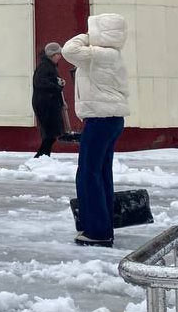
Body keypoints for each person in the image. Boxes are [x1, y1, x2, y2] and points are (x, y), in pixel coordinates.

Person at [62, 13, 129, 247]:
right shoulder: (114, 55)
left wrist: (87, 36)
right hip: (112, 120)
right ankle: (103, 225)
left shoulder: (97, 55)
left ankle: (97, 232)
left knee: (88, 174)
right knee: (101, 173)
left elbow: (68, 50)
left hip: (99, 121)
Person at [31, 42, 66, 158]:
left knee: (51, 134)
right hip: (45, 105)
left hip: (49, 104)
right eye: (58, 54)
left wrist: (58, 83)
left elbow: (49, 81)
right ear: (52, 55)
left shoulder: (49, 66)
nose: (60, 57)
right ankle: (41, 157)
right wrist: (57, 86)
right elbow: (40, 82)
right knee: (50, 134)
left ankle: (44, 157)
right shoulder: (44, 67)